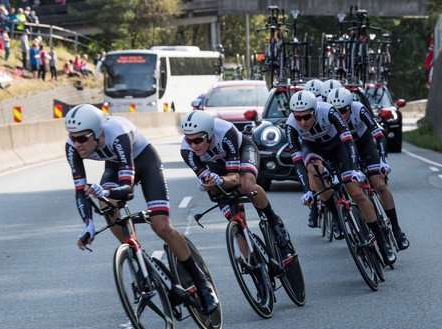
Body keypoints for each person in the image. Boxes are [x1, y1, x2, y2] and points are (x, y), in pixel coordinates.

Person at [65, 104, 219, 314]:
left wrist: (106, 192)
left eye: (82, 138)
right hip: (114, 166)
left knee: (162, 226)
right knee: (106, 207)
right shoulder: (72, 146)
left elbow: (127, 190)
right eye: (72, 138)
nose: (77, 144)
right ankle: (136, 255)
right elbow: (80, 190)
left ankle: (202, 283)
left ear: (98, 133)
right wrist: (88, 225)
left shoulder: (118, 133)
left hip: (145, 163)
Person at [286, 90, 396, 265]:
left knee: (357, 194)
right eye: (298, 117)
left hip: (338, 146)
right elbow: (297, 161)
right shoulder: (291, 125)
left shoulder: (329, 111)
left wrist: (353, 170)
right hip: (313, 148)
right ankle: (337, 218)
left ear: (315, 111)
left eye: (306, 116)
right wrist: (307, 190)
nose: (303, 122)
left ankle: (382, 242)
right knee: (314, 170)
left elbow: (349, 142)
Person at [179, 110, 294, 272]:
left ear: (210, 134)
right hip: (217, 165)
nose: (193, 145)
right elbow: (206, 178)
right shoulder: (187, 151)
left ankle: (274, 221)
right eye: (188, 140)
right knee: (236, 221)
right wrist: (207, 182)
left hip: (242, 151)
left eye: (198, 140)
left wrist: (219, 180)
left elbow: (233, 178)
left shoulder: (225, 133)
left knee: (246, 185)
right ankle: (255, 268)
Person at [327, 87, 409, 250]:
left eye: (343, 111)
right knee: (353, 188)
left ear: (350, 107)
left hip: (364, 144)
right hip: (345, 149)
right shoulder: (328, 117)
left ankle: (397, 229)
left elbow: (378, 134)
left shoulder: (359, 109)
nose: (340, 115)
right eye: (336, 111)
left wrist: (383, 161)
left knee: (379, 185)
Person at [301, 79, 324, 227]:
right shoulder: (302, 110)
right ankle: (314, 208)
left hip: (329, 141)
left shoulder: (325, 108)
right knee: (312, 168)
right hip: (312, 143)